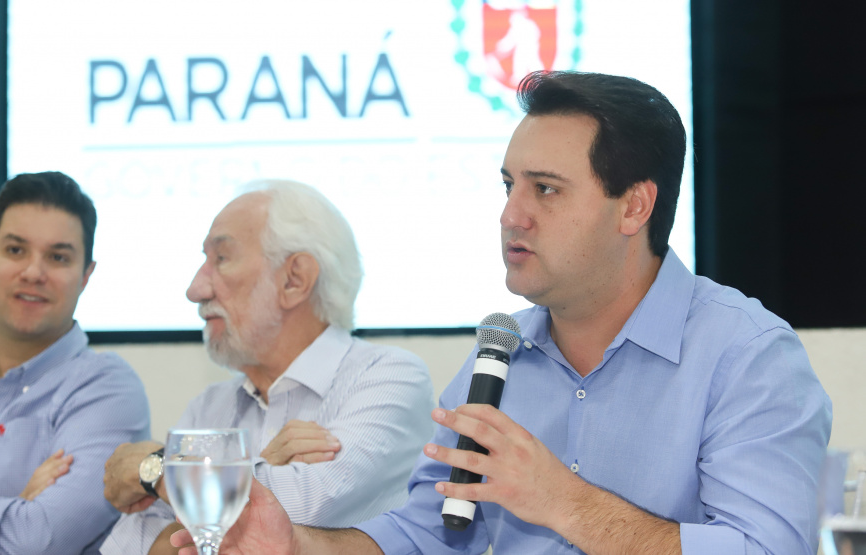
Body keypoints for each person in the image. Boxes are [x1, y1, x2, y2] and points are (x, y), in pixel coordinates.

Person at [171, 71, 833, 555]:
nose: (510, 215)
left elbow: (767, 548)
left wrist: (562, 500)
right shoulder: (500, 353)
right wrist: (295, 545)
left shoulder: (746, 355)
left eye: (544, 189)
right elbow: (428, 532)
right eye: (508, 184)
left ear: (633, 207)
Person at [101, 179, 434, 554]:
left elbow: (304, 504)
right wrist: (258, 469)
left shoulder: (389, 378)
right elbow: (127, 545)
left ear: (294, 279)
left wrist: (156, 467)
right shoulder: (210, 406)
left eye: (221, 259)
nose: (196, 289)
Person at [0, 172, 150, 554]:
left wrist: (11, 525)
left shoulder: (106, 390)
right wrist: (11, 512)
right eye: (15, 250)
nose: (33, 272)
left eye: (58, 257)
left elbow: (36, 540)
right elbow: (18, 533)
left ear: (85, 276)